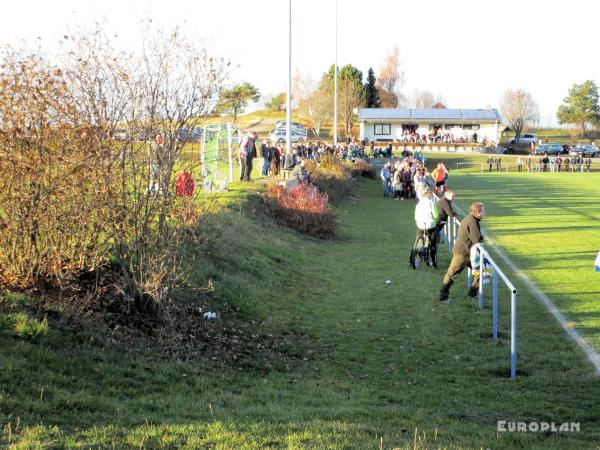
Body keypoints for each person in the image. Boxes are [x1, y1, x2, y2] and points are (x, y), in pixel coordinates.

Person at [438, 202, 486, 304]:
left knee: (481, 271)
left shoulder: (472, 219)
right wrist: (482, 238)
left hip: (468, 253)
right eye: (483, 211)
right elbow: (477, 239)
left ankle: (472, 294)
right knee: (452, 274)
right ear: (477, 212)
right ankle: (443, 297)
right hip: (462, 254)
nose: (484, 213)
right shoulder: (472, 221)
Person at [413, 187, 439, 268]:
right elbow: (436, 215)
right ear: (428, 194)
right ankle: (433, 263)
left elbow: (416, 216)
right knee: (433, 243)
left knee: (417, 239)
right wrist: (436, 219)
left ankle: (412, 260)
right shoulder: (431, 203)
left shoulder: (418, 203)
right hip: (430, 225)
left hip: (420, 225)